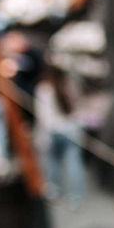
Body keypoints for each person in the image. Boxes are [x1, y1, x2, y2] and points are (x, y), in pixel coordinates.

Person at [34, 62, 86, 207]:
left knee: (52, 163)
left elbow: (43, 116)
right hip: (70, 130)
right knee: (73, 164)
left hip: (52, 131)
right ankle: (75, 197)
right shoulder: (68, 86)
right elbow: (77, 109)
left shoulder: (43, 89)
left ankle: (54, 190)